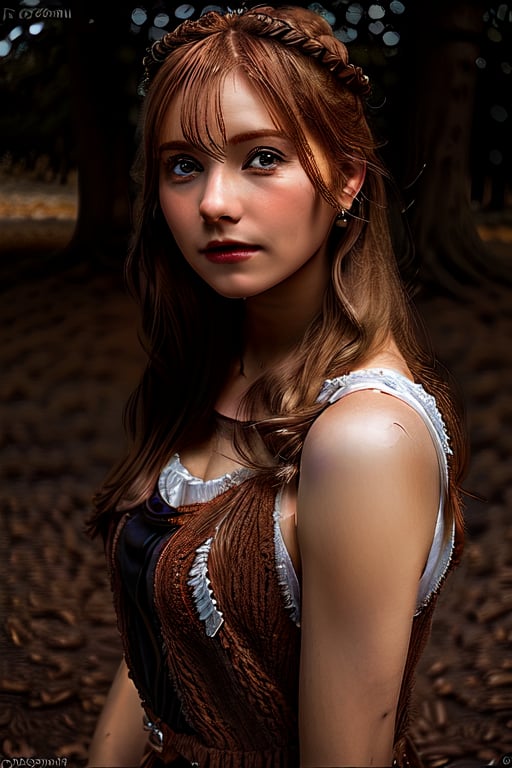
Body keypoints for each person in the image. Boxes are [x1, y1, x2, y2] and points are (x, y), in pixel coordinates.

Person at [86, 5, 466, 767]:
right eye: (182, 165)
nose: (215, 205)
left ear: (347, 175)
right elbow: (162, 643)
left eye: (262, 158)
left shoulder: (365, 441)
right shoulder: (216, 369)